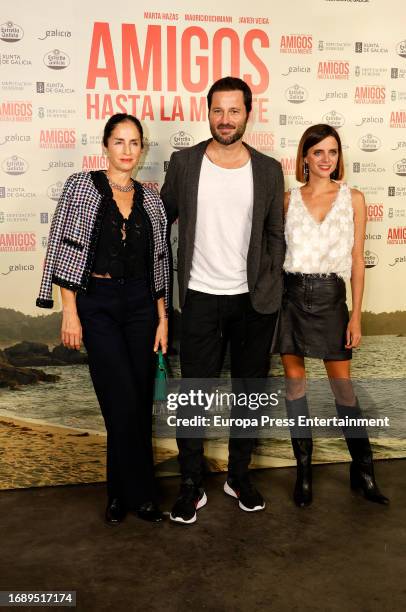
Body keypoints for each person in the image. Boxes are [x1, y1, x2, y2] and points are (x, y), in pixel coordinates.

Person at [161, 77, 285, 524]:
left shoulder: (269, 170)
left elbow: (275, 234)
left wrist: (270, 285)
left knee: (249, 394)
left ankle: (238, 476)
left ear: (248, 113)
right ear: (207, 111)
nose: (226, 119)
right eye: (218, 110)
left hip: (252, 302)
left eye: (234, 111)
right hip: (199, 297)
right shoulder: (184, 163)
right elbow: (162, 221)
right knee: (194, 394)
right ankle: (191, 484)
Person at [36, 113, 170, 524]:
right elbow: (64, 246)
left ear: (141, 149)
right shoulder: (82, 186)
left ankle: (123, 494)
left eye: (134, 143)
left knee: (138, 400)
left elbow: (161, 264)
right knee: (119, 400)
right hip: (98, 303)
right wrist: (70, 312)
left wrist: (163, 319)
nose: (127, 150)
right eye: (120, 142)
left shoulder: (152, 199)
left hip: (142, 307)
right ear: (106, 146)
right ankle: (134, 493)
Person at [275, 123, 389, 507]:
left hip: (330, 297)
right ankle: (303, 473)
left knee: (343, 390)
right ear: (305, 157)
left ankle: (364, 471)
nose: (326, 159)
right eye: (318, 152)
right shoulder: (288, 199)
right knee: (295, 387)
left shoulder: (352, 198)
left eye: (333, 152)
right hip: (290, 298)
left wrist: (356, 316)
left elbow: (357, 261)